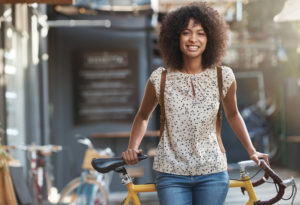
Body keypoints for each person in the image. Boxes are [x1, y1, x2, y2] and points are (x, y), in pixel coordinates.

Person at [122, 2, 269, 205]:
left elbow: (233, 115)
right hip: (171, 173)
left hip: (212, 172)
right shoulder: (160, 78)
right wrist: (132, 147)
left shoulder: (222, 76)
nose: (193, 39)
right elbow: (143, 116)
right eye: (186, 32)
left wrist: (252, 150)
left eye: (201, 33)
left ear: (211, 38)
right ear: (175, 37)